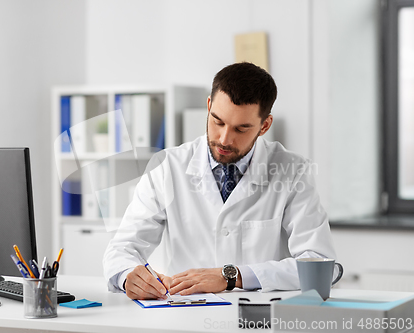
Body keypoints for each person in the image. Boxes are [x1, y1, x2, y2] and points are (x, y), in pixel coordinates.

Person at [103, 62, 336, 300]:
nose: (224, 139)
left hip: (258, 317)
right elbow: (122, 249)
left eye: (241, 128)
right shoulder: (166, 167)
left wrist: (233, 276)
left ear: (264, 126)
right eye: (218, 121)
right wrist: (127, 276)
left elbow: (319, 264)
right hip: (183, 313)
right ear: (208, 106)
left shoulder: (293, 171)